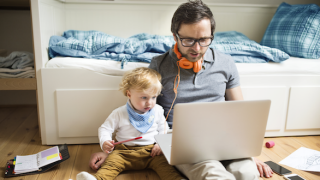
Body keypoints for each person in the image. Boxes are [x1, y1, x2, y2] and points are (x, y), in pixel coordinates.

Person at [89, 0, 274, 179]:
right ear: (174, 36)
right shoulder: (158, 65)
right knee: (214, 175)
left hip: (223, 137)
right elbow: (141, 113)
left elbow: (240, 113)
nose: (197, 48)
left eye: (204, 40)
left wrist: (249, 154)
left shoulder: (226, 62)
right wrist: (115, 152)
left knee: (247, 174)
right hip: (180, 141)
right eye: (188, 40)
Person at [77, 67, 185, 180]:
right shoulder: (119, 113)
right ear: (129, 94)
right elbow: (105, 129)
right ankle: (97, 179)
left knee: (166, 166)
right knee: (110, 164)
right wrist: (105, 141)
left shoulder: (157, 110)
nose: (149, 102)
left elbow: (163, 128)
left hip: (151, 152)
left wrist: (160, 144)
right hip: (123, 152)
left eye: (153, 97)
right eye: (144, 97)